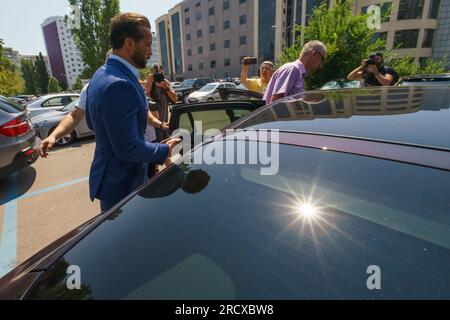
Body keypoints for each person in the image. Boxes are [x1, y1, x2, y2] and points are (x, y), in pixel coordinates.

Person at [86, 12, 180, 212]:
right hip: (122, 186)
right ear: (129, 44)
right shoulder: (119, 85)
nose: (149, 52)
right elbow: (128, 149)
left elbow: (92, 122)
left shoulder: (101, 74)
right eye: (147, 45)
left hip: (113, 182)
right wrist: (164, 150)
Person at [145, 63, 177, 142]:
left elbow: (175, 99)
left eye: (160, 73)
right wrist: (149, 83)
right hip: (152, 127)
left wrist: (165, 87)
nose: (158, 76)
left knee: (166, 149)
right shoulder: (148, 82)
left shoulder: (165, 83)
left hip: (164, 125)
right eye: (156, 73)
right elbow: (144, 97)